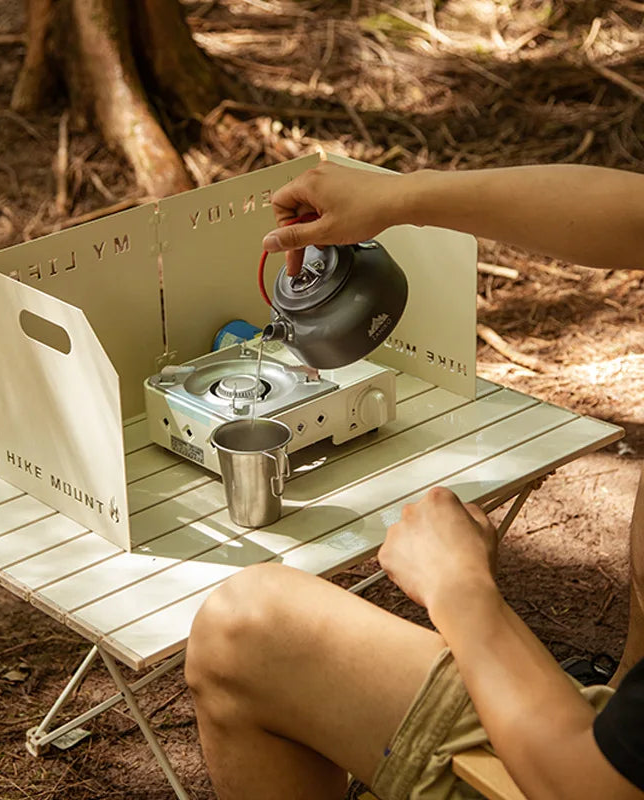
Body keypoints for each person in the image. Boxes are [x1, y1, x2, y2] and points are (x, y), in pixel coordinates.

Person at [183, 160, 644, 800]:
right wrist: (399, 197)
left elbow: (593, 789)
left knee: (240, 630)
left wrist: (461, 591)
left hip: (573, 769)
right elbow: (635, 214)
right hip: (615, 733)